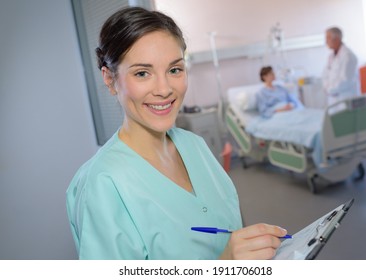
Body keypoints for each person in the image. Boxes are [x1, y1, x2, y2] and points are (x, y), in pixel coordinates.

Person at [66, 7, 288, 260]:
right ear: (109, 79)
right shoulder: (102, 184)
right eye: (142, 73)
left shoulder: (195, 147)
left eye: (174, 70)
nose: (164, 89)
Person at [322, 26, 358, 106]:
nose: (326, 41)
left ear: (337, 39)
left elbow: (345, 81)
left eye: (328, 38)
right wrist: (326, 87)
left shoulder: (348, 56)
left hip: (345, 100)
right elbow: (325, 75)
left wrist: (329, 89)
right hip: (333, 100)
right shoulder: (331, 57)